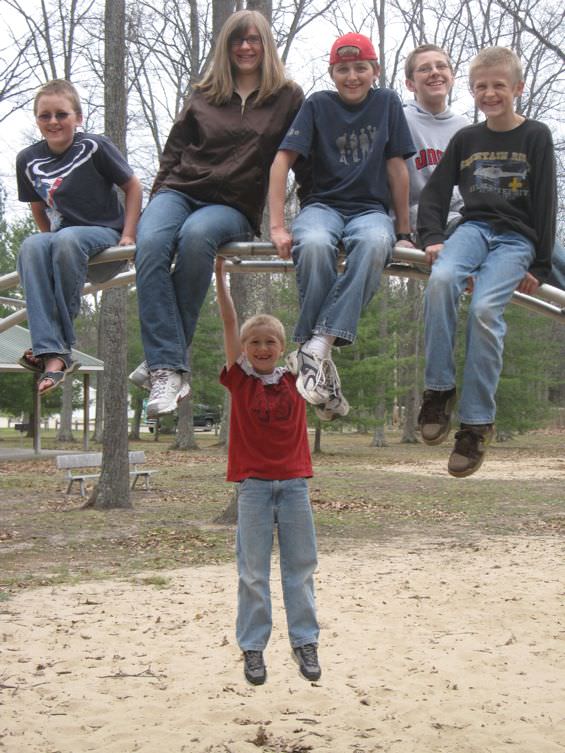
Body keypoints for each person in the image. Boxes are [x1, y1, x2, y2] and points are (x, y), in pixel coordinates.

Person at [131, 10, 304, 419]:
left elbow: (300, 156)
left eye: (253, 39)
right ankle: (168, 368)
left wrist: (301, 214)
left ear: (266, 45)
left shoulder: (287, 96)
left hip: (231, 204)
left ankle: (162, 361)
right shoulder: (205, 93)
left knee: (196, 239)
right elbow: (173, 151)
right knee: (151, 242)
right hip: (179, 190)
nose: (245, 47)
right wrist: (158, 202)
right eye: (236, 40)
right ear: (225, 46)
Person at [417, 47, 556, 477]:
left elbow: (546, 200)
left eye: (499, 85)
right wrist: (433, 237)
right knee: (441, 281)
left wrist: (541, 266)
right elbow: (436, 192)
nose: (490, 93)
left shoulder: (535, 135)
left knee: (483, 310)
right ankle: (438, 391)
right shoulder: (466, 139)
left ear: (518, 88)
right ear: (472, 90)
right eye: (481, 87)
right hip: (473, 229)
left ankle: (476, 425)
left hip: (516, 238)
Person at [269, 33, 415, 421]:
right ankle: (320, 350)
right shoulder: (318, 104)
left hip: (370, 210)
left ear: (375, 70)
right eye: (343, 69)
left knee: (375, 243)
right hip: (322, 206)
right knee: (314, 243)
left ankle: (315, 344)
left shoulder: (386, 103)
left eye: (360, 68)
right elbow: (282, 161)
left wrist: (403, 232)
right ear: (332, 73)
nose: (352, 77)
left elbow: (397, 167)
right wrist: (278, 226)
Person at [215, 256, 320, 687]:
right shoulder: (238, 380)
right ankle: (253, 647)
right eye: (254, 342)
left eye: (270, 342)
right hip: (254, 487)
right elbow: (228, 322)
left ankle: (304, 641)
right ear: (244, 348)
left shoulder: (297, 378)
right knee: (253, 572)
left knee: (301, 567)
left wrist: (312, 271)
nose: (262, 348)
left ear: (281, 347)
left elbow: (315, 329)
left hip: (294, 485)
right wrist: (220, 277)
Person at [16, 79, 142, 394]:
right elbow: (37, 206)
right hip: (64, 242)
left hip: (103, 238)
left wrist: (129, 235)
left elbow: (133, 186)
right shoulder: (28, 160)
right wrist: (46, 247)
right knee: (32, 245)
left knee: (66, 239)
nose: (53, 122)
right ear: (37, 120)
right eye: (45, 116)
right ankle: (50, 351)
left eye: (62, 114)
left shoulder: (94, 147)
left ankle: (59, 347)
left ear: (78, 117)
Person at [404, 44, 565, 291]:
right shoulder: (401, 120)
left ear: (452, 77)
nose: (435, 72)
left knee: (542, 245)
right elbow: (415, 187)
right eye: (424, 69)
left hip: (477, 215)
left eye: (441, 66)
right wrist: (405, 233)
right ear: (410, 83)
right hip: (440, 221)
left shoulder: (465, 128)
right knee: (495, 235)